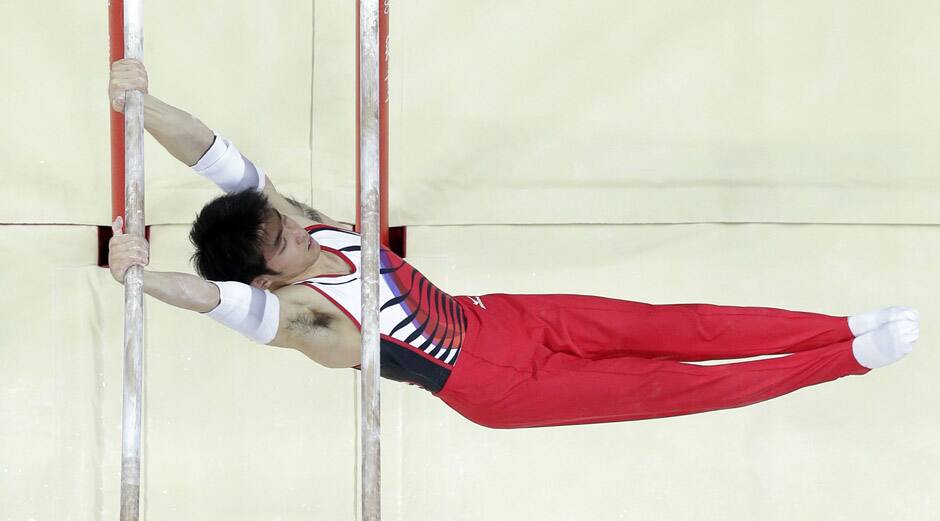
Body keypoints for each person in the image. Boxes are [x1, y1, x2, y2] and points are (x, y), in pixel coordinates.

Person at [107, 59, 920, 429]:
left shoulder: (304, 222)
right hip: (489, 387)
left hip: (507, 318)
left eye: (274, 219)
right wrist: (141, 278)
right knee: (672, 386)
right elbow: (212, 299)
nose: (283, 230)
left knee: (682, 328)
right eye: (271, 242)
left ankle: (837, 325)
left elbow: (217, 155)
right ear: (265, 274)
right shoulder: (298, 317)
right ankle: (848, 360)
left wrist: (143, 107)